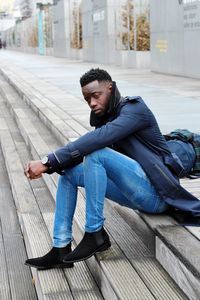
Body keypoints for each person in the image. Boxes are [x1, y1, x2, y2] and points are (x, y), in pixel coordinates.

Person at [24, 68, 200, 270]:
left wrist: (48, 161)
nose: (92, 103)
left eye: (96, 95)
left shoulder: (135, 110)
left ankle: (95, 233)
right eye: (87, 99)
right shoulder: (108, 117)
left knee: (97, 153)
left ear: (110, 87)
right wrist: (55, 165)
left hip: (157, 195)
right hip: (134, 192)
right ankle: (60, 247)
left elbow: (97, 140)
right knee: (69, 174)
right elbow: (89, 145)